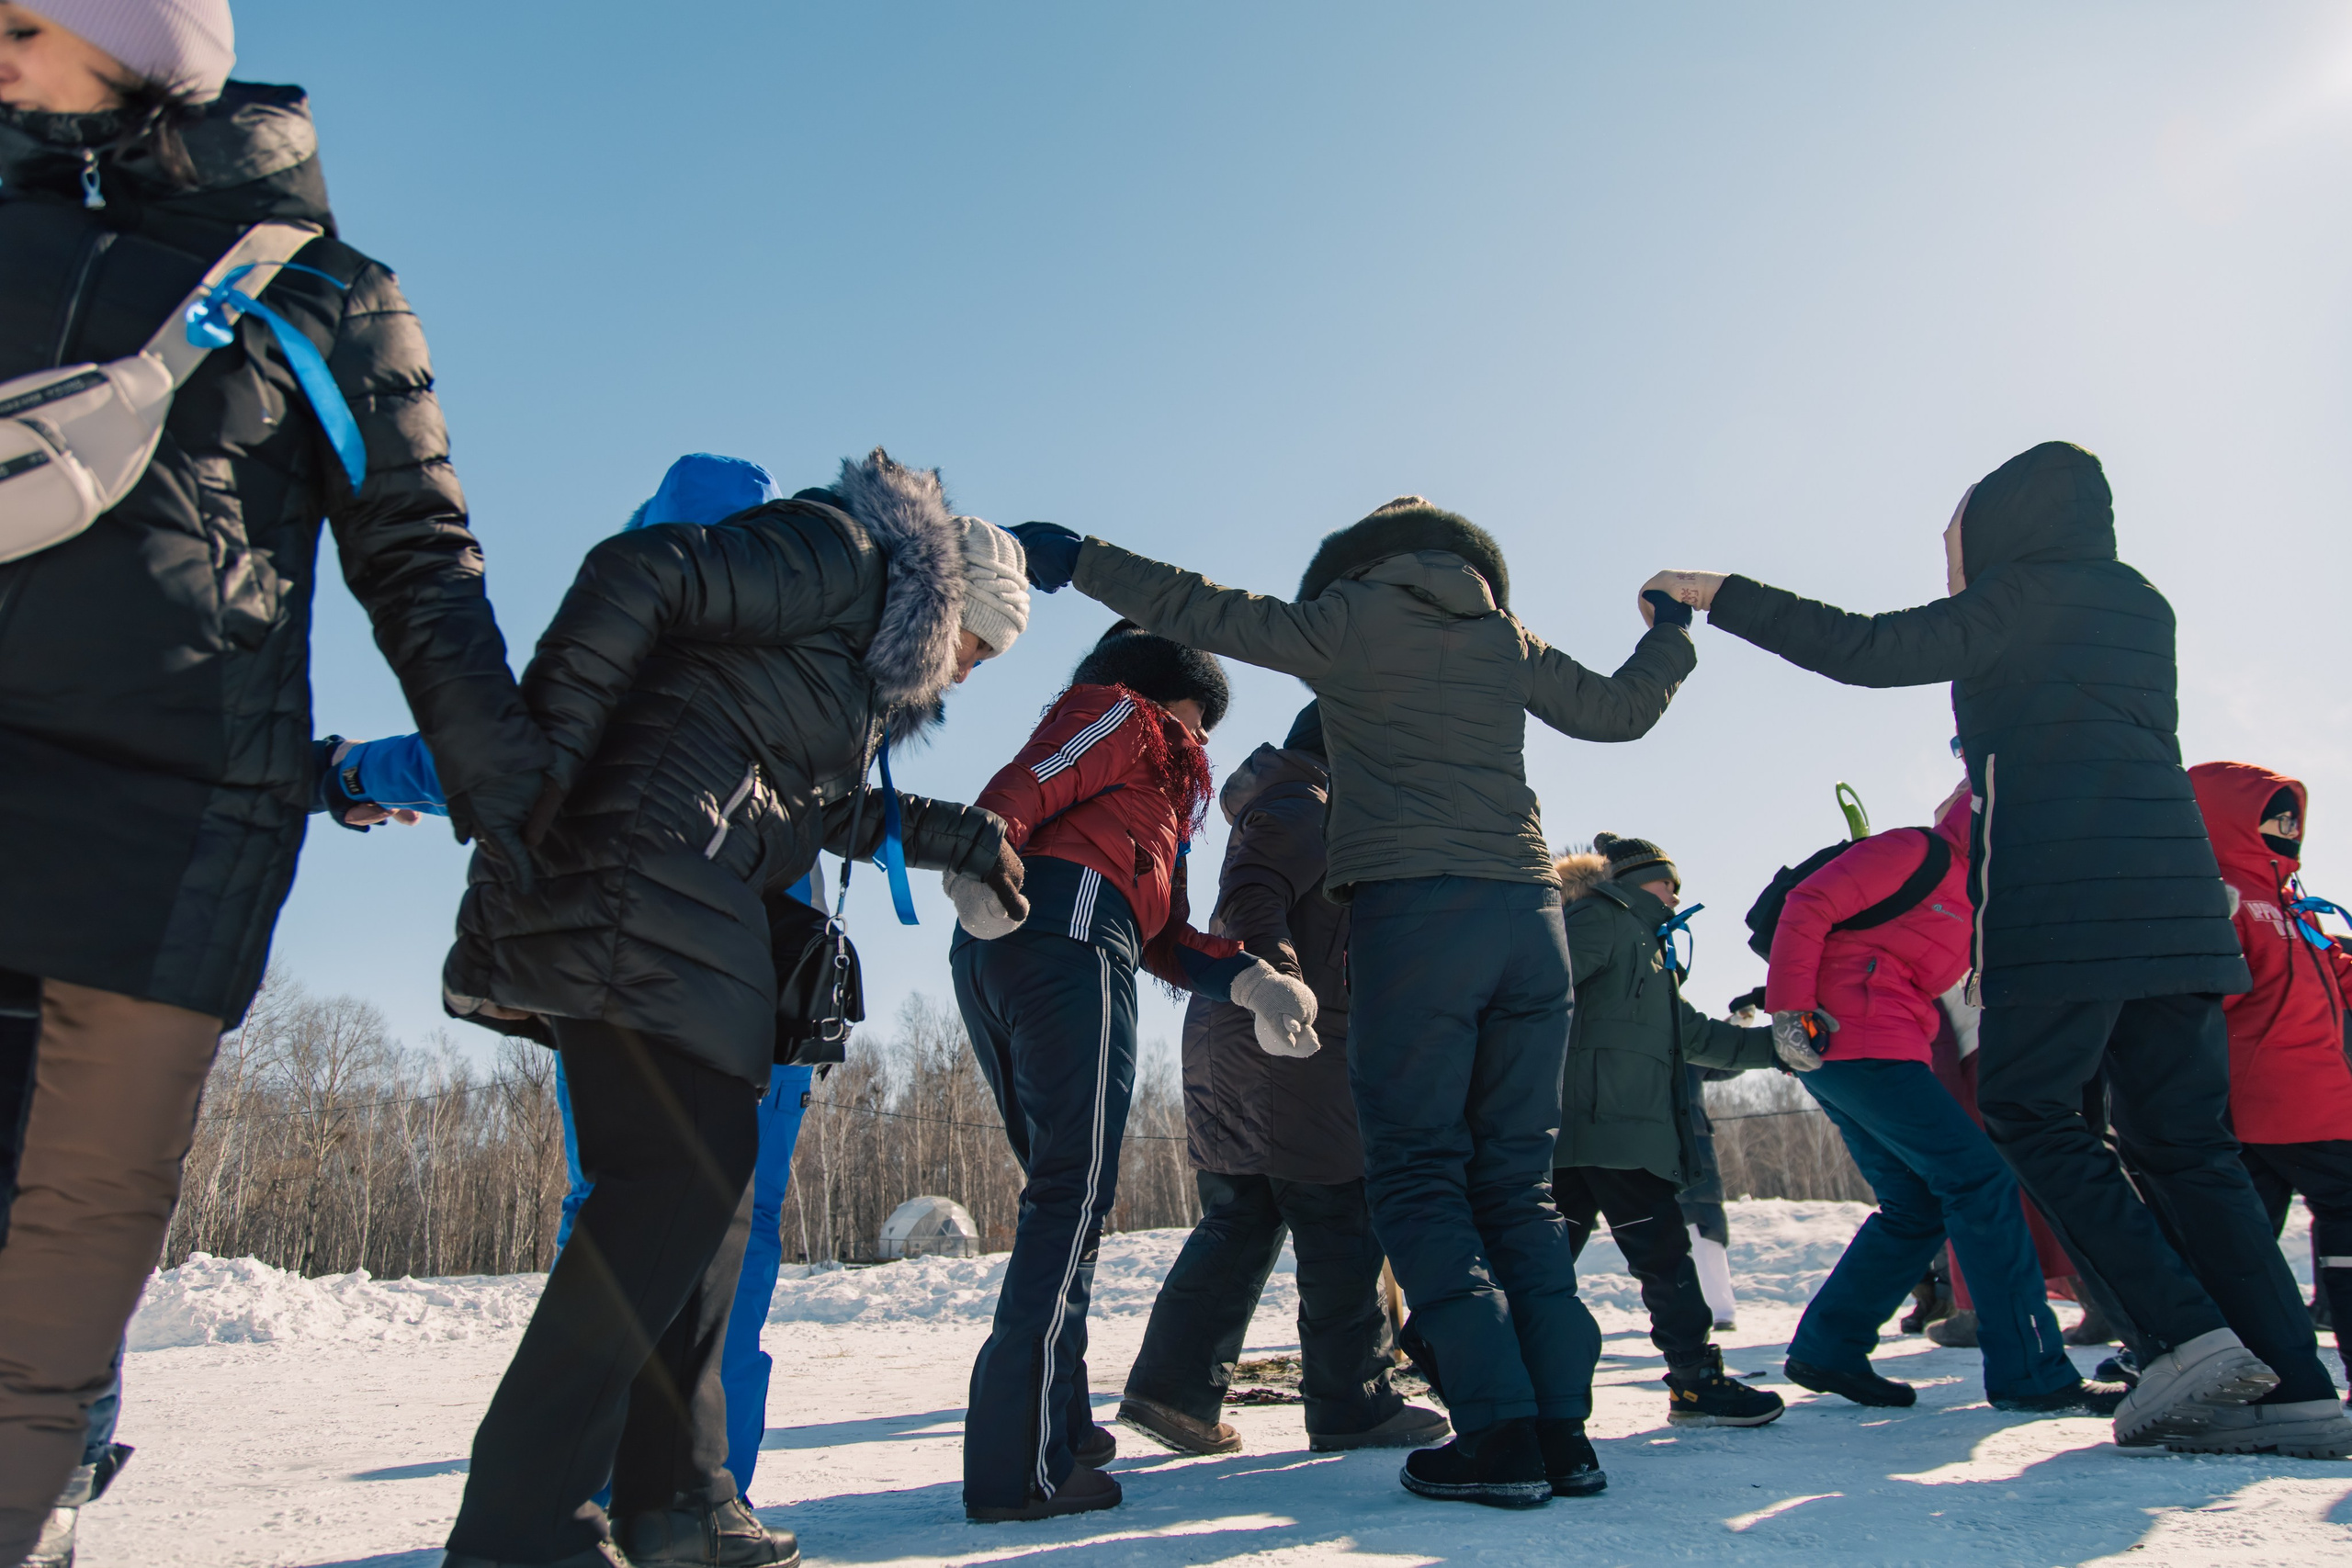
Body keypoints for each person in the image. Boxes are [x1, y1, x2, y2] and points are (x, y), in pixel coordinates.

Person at [0, 5, 559, 1559]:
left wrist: (523, 822)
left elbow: (422, 568)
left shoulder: (318, 287)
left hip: (167, 823)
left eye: (30, 21)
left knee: (62, 1247)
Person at [1645, 439, 2350, 1456]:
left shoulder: (2021, 598)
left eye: (1956, 539)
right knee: (2188, 1149)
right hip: (2180, 912)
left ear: (2007, 528)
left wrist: (1718, 594)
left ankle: (2185, 1337)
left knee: (2026, 1108)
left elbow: (1868, 648)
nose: (1950, 560)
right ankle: (2292, 1385)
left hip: (2066, 903)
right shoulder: (2137, 604)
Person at [1012, 497, 1694, 1506]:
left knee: (1414, 1177)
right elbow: (1620, 711)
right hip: (1531, 916)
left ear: (1355, 565)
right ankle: (1563, 1435)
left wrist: (1077, 558)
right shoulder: (1502, 635)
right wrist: (1671, 632)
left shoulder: (1348, 619)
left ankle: (1499, 1434)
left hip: (1419, 918)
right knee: (1518, 1188)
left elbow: (1199, 607)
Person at [439, 449, 1032, 1568]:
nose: (966, 673)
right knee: (672, 1187)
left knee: (703, 1201)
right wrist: (538, 764)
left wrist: (965, 838)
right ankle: (524, 1528)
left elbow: (815, 805)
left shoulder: (843, 674)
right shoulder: (842, 552)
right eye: (976, 646)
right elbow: (643, 571)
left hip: (692, 899)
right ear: (950, 597)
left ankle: (679, 1503)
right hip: (639, 869)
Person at [950, 624, 1320, 1523]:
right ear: (1167, 693)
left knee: (1061, 1188)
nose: (1204, 741)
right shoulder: (1125, 717)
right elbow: (1032, 777)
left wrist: (1254, 983)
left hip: (1024, 945)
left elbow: (1166, 937)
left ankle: (1061, 1423)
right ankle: (1020, 1466)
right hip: (1069, 938)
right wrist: (980, 849)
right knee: (1071, 1194)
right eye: (1201, 717)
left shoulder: (1155, 799)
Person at [1121, 701, 1450, 1459]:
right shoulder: (1308, 802)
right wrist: (1280, 982)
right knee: (1341, 1212)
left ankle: (1172, 1392)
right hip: (1284, 1039)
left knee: (1245, 1211)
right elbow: (1251, 895)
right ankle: (1353, 1403)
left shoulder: (1292, 798)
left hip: (1244, 1035)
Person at [1763, 784, 2118, 1413]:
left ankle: (1830, 1346)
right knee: (1980, 1181)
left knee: (1918, 1204)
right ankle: (2030, 1371)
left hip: (1884, 1046)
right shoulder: (1914, 851)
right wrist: (1788, 1011)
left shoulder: (1981, 898)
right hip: (1847, 1036)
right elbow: (1808, 901)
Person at [1552, 835, 1782, 1430]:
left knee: (1542, 1263)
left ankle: (1485, 1365)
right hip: (1606, 1128)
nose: (1676, 895)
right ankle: (1695, 1381)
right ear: (1634, 881)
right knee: (1662, 1258)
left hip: (1600, 1134)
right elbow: (1541, 987)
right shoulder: (1601, 917)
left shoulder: (1648, 951)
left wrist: (1779, 1048)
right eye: (1666, 882)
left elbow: (1696, 1035)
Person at [2188, 761, 2352, 1406]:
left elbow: (2336, 976)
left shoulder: (2289, 902)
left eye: (2292, 817)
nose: (2287, 828)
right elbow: (2205, 995)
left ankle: (2217, 1362)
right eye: (2272, 816)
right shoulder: (2225, 897)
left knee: (2242, 1237)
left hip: (2302, 1098)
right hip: (2282, 1099)